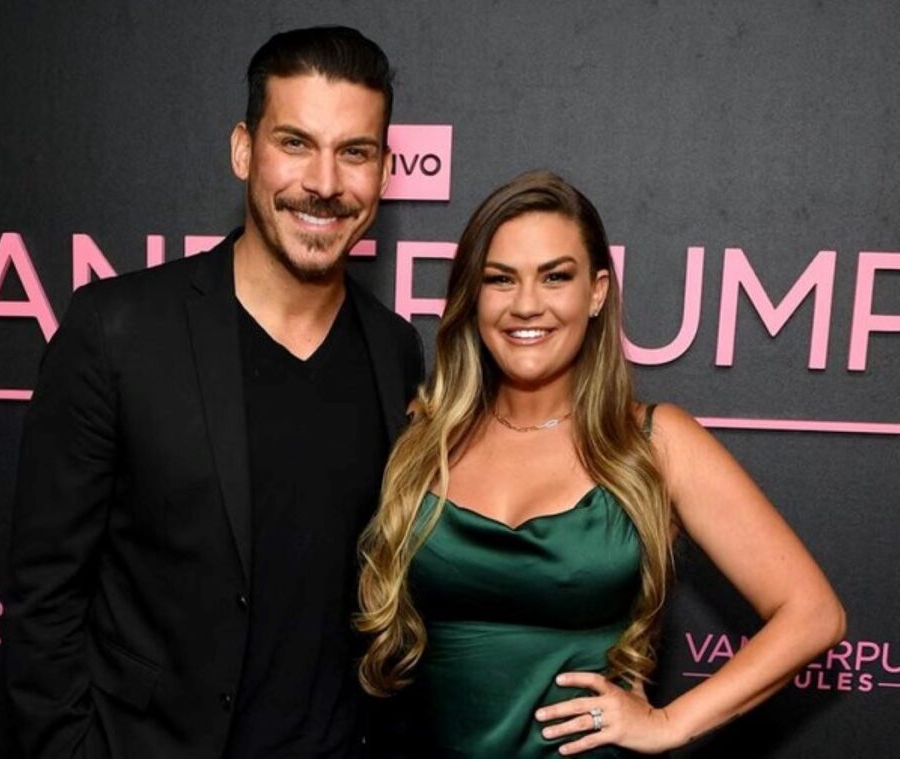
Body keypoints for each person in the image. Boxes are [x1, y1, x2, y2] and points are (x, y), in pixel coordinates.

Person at [7, 26, 423, 758]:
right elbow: (44, 592)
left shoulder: (395, 349)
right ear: (243, 149)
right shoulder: (118, 330)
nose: (325, 183)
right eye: (295, 142)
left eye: (354, 152)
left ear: (384, 171)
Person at [355, 170, 845, 757]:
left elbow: (814, 614)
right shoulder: (421, 438)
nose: (526, 305)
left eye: (556, 277)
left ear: (596, 291)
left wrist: (669, 723)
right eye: (500, 280)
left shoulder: (654, 442)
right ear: (472, 296)